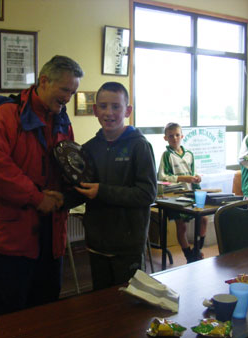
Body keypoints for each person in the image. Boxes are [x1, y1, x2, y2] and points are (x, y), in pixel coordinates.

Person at [0, 55, 84, 315]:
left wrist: (76, 185)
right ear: (44, 81)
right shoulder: (6, 115)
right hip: (14, 232)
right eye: (65, 90)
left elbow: (67, 162)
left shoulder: (61, 119)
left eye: (73, 92)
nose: (69, 98)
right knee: (12, 310)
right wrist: (37, 198)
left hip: (52, 228)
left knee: (47, 304)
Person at [60, 82, 157, 290]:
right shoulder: (88, 148)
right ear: (95, 110)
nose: (109, 112)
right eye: (103, 106)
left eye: (116, 106)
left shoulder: (140, 146)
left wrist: (102, 191)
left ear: (127, 110)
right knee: (101, 303)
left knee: (129, 305)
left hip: (128, 246)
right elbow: (83, 190)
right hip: (96, 243)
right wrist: (59, 199)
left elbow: (147, 194)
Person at [158, 122, 208, 263]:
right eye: (171, 136)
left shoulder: (190, 155)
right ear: (165, 138)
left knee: (203, 219)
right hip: (176, 195)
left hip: (191, 193)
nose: (175, 138)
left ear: (182, 136)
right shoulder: (167, 155)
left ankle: (197, 250)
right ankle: (189, 255)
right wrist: (181, 178)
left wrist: (196, 178)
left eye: (177, 135)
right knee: (182, 226)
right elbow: (162, 177)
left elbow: (193, 173)